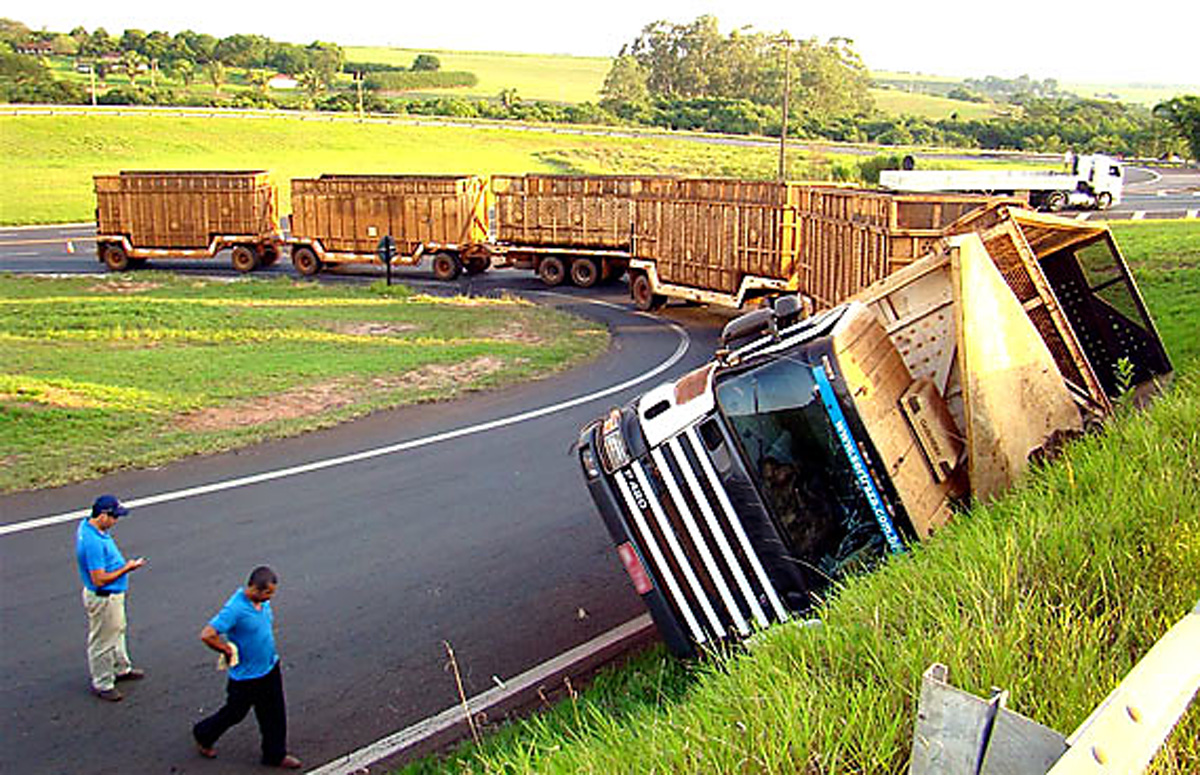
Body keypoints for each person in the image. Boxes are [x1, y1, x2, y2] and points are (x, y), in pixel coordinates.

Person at [193, 566, 301, 769]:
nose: (270, 597)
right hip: (247, 677)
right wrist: (225, 649)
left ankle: (275, 754)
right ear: (255, 588)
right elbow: (207, 634)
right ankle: (203, 734)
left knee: (274, 713)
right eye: (268, 592)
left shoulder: (262, 603)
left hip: (269, 667)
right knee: (235, 713)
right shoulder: (235, 608)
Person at [75, 494, 147, 702]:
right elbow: (99, 579)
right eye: (114, 517)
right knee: (103, 640)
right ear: (104, 515)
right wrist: (127, 568)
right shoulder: (93, 543)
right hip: (104, 597)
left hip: (112, 596)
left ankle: (121, 668)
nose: (116, 521)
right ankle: (103, 682)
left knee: (117, 631)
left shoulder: (90, 528)